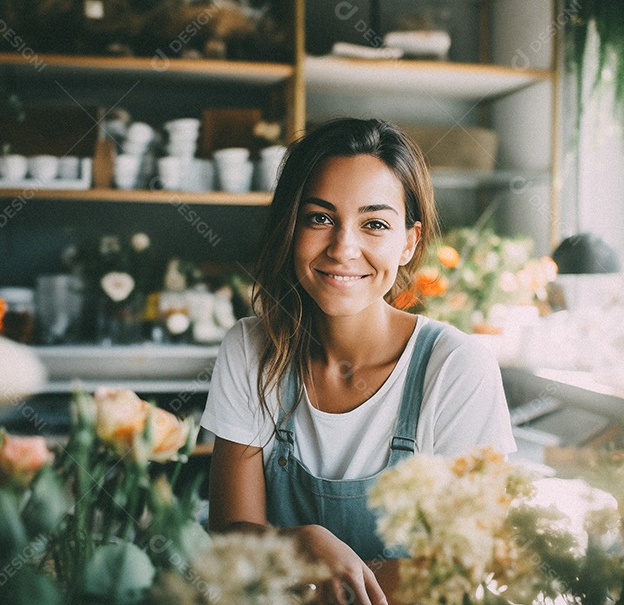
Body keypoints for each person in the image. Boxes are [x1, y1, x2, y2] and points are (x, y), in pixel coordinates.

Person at [201, 118, 516, 605]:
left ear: (409, 241)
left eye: (375, 224)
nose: (344, 249)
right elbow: (230, 537)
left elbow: (463, 560)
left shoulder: (456, 369)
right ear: (292, 225)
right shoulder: (250, 350)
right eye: (320, 218)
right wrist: (297, 543)